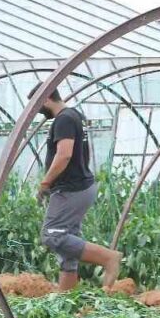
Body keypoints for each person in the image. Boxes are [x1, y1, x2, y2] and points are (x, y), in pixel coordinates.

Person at [35, 89, 122, 291]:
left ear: (47, 98)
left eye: (38, 104)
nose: (38, 111)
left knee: (52, 235)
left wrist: (45, 183)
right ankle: (67, 300)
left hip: (70, 189)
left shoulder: (64, 119)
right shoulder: (74, 115)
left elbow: (64, 154)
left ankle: (108, 258)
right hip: (80, 187)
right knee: (68, 250)